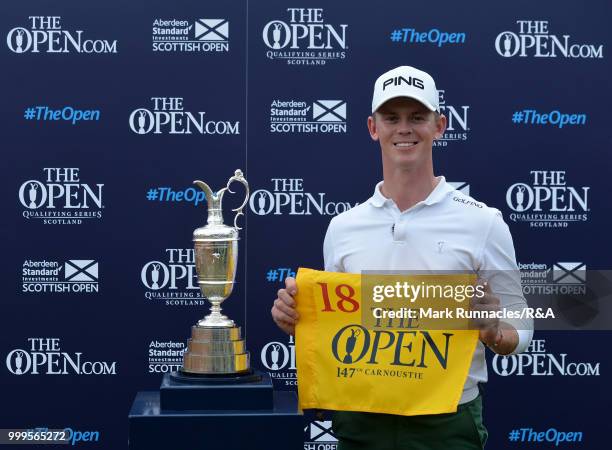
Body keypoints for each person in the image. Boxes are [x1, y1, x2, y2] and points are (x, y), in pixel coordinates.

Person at [271, 65, 533, 449]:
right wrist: (297, 319)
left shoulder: (483, 222)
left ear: (440, 125)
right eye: (391, 118)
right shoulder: (344, 227)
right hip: (361, 422)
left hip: (447, 423)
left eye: (417, 117)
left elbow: (520, 323)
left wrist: (494, 333)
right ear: (373, 128)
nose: (404, 128)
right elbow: (336, 327)